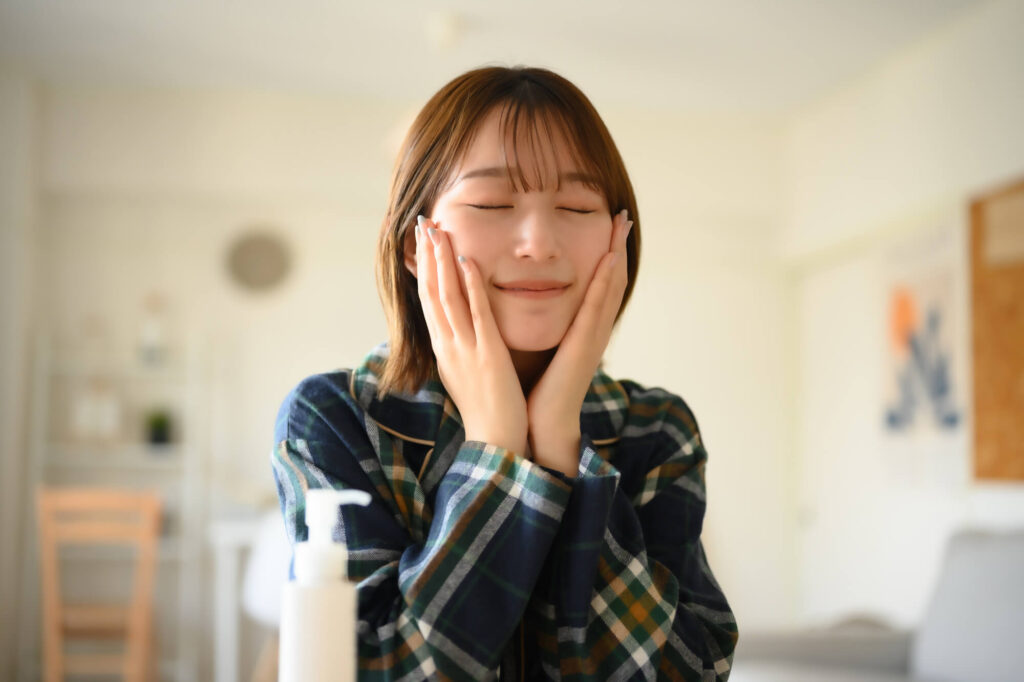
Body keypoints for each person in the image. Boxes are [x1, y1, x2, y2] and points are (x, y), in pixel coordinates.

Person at [272, 65, 738, 681]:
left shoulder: (657, 429)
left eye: (576, 205)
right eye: (492, 203)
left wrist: (560, 440)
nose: (538, 243)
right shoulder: (335, 418)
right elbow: (377, 671)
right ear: (414, 245)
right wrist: (497, 451)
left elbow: (690, 670)